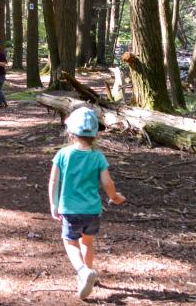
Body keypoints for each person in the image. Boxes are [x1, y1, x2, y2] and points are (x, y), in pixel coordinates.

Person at [48, 107, 126, 300]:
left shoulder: (63, 154)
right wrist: (114, 197)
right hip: (92, 211)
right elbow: (107, 182)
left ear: (70, 132)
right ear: (95, 134)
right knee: (87, 241)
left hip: (70, 210)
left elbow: (53, 181)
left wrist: (53, 204)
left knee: (70, 241)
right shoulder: (98, 156)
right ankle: (89, 271)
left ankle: (83, 272)